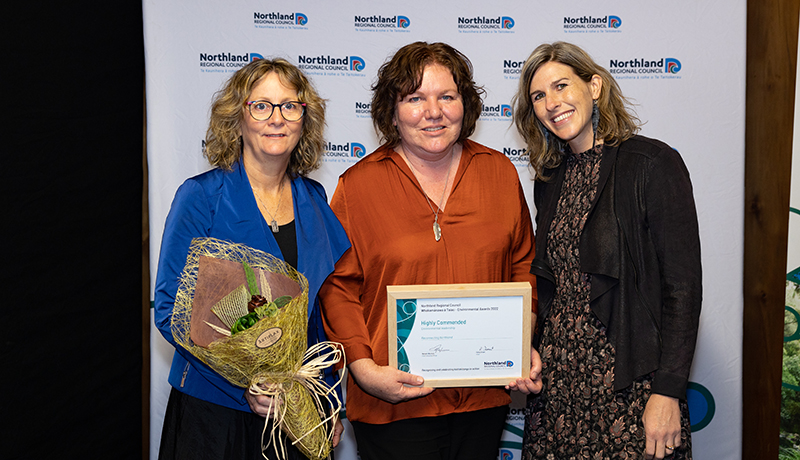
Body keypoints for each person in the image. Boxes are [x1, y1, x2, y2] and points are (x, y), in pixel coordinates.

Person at [318, 41, 538, 460]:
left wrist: (520, 337)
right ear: (392, 110)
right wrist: (364, 371)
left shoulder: (499, 172)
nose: (433, 112)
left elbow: (522, 265)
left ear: (465, 104)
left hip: (483, 397)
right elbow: (338, 287)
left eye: (447, 96)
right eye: (415, 98)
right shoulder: (358, 186)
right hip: (393, 400)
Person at [508, 41, 701, 460]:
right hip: (557, 394)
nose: (551, 103)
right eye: (539, 96)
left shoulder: (651, 163)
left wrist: (668, 390)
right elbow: (551, 285)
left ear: (594, 86)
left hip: (630, 387)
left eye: (561, 85)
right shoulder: (550, 179)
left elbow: (682, 289)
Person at [153, 58, 350, 460]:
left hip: (293, 411)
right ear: (237, 118)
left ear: (304, 119)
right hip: (213, 413)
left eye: (289, 106)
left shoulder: (313, 199)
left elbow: (315, 319)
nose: (276, 118)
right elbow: (171, 309)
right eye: (261, 105)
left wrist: (329, 403)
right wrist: (244, 386)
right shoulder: (201, 198)